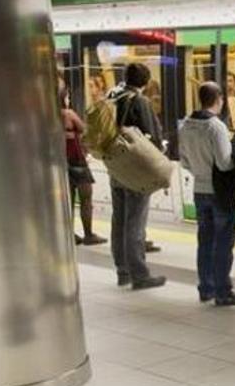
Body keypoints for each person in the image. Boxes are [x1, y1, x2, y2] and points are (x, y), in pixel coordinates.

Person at [178, 82, 235, 307]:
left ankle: (206, 288)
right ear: (218, 99)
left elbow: (185, 162)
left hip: (199, 190)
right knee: (223, 243)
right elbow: (225, 163)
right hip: (220, 193)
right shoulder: (215, 127)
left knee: (205, 241)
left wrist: (200, 171)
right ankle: (223, 291)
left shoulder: (185, 125)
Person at [108, 62, 166, 290]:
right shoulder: (140, 101)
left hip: (115, 166)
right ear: (145, 81)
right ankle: (140, 275)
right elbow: (153, 137)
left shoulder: (112, 95)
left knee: (119, 220)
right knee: (135, 222)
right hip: (136, 170)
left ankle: (123, 271)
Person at [60, 82, 106, 246]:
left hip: (60, 161)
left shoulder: (48, 115)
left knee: (68, 199)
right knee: (86, 197)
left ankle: (69, 234)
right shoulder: (68, 113)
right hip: (76, 160)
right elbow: (83, 129)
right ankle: (88, 234)